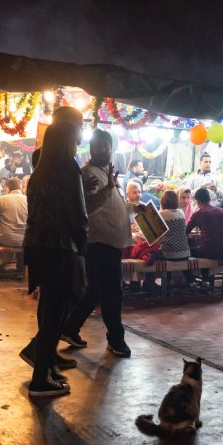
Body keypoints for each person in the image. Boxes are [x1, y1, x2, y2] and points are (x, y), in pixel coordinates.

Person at [21, 121, 88, 398]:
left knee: (50, 307)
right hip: (60, 248)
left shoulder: (39, 173)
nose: (77, 145)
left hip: (37, 248)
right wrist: (82, 249)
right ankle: (40, 379)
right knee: (56, 311)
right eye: (75, 139)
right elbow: (78, 215)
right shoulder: (68, 169)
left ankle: (43, 365)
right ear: (66, 141)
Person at [58, 129, 136, 357]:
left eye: (105, 145)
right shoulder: (88, 174)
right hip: (99, 242)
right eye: (97, 145)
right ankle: (116, 339)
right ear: (90, 149)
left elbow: (112, 205)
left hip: (111, 241)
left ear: (112, 148)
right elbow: (87, 207)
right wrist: (108, 188)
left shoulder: (107, 173)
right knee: (112, 293)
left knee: (95, 291)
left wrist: (133, 208)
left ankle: (70, 328)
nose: (101, 149)